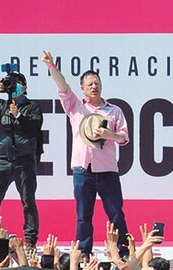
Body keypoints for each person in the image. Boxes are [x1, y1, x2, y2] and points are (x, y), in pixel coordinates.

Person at [43, 50, 130, 256]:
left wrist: (109, 134)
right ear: (82, 89)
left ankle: (124, 250)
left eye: (97, 83)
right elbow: (63, 87)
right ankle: (83, 252)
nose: (94, 86)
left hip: (107, 170)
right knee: (83, 216)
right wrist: (51, 67)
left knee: (116, 214)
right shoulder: (75, 107)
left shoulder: (114, 111)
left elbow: (124, 138)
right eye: (89, 84)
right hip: (83, 171)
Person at [0, 68, 43, 247]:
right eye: (11, 84)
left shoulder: (32, 106)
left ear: (25, 87)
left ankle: (30, 241)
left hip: (24, 160)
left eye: (17, 84)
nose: (14, 87)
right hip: (1, 159)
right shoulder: (0, 105)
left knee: (28, 201)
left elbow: (34, 128)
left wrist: (19, 116)